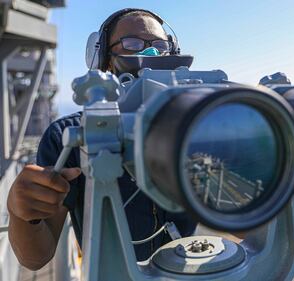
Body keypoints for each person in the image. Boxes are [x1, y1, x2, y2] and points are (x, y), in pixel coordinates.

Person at [7, 8, 197, 271]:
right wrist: (21, 213)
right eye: (132, 44)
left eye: (160, 46)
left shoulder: (197, 125)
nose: (150, 54)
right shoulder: (69, 135)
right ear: (105, 61)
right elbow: (36, 258)